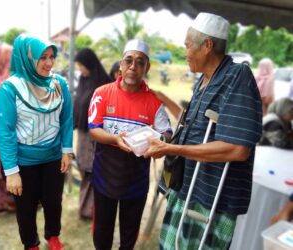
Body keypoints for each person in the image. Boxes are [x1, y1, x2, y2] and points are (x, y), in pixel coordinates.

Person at [144, 13, 262, 249]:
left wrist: (171, 148)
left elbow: (238, 149)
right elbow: (192, 126)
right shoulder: (203, 80)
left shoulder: (237, 77)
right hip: (187, 186)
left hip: (211, 197)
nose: (185, 53)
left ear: (207, 45)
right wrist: (163, 99)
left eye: (187, 46)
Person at [88, 39, 172, 250]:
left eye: (140, 62)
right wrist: (114, 139)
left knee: (129, 235)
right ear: (121, 64)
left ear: (147, 67)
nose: (133, 67)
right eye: (129, 61)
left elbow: (167, 133)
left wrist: (159, 143)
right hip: (104, 178)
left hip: (136, 182)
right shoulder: (102, 93)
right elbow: (94, 129)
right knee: (101, 233)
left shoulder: (153, 102)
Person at [0, 34, 73, 250]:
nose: (49, 63)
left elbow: (66, 119)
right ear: (26, 58)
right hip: (23, 163)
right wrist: (11, 171)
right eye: (42, 57)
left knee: (53, 202)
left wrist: (67, 151)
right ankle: (31, 244)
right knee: (26, 207)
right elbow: (6, 132)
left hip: (53, 158)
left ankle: (53, 235)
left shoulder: (59, 84)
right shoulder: (10, 88)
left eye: (51, 57)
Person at [74, 48, 111, 220]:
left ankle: (90, 209)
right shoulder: (83, 80)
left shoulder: (103, 82)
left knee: (92, 171)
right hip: (83, 135)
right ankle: (87, 207)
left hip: (96, 135)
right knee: (84, 169)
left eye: (82, 65)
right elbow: (78, 105)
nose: (80, 69)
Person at [0, 43, 16, 213]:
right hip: (2, 131)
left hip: (1, 131)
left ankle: (5, 201)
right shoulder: (2, 80)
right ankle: (6, 201)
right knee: (3, 165)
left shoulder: (2, 80)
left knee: (3, 165)